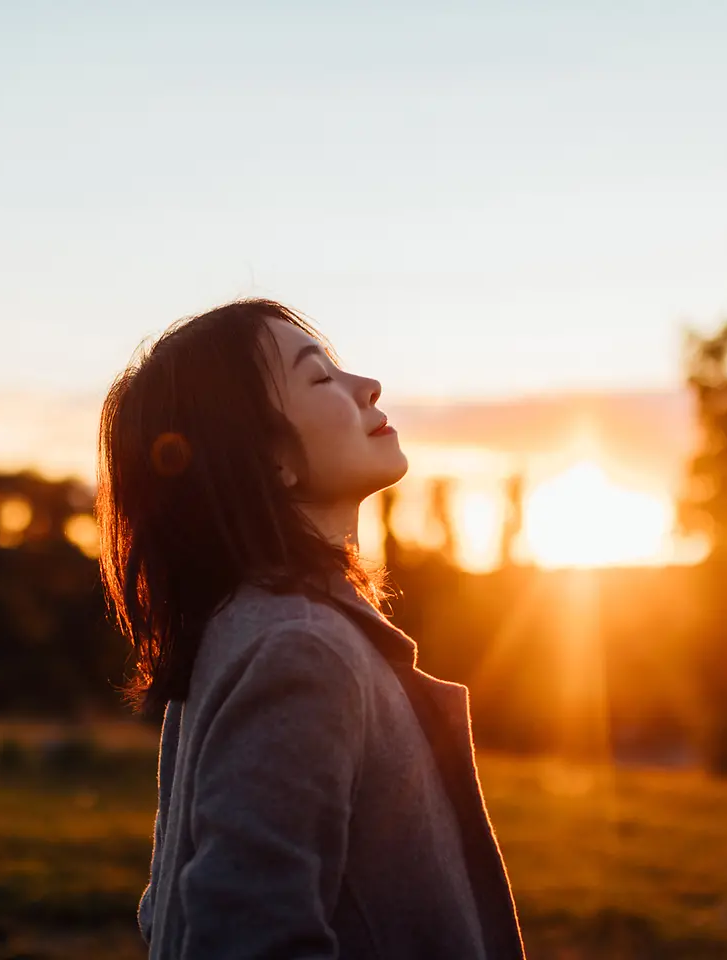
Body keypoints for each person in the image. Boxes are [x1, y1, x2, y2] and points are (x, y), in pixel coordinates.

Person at [96, 299, 525, 959]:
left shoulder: (240, 625)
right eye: (321, 378)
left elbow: (173, 909)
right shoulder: (298, 648)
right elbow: (242, 938)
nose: (368, 386)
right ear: (268, 460)